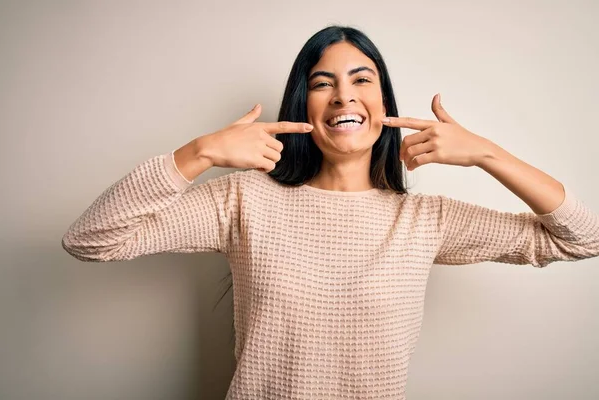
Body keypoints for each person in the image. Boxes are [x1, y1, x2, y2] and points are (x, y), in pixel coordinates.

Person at [62, 25, 599, 400]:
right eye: (323, 83)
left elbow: (582, 238)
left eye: (362, 80)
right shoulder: (245, 200)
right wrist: (199, 153)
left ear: (383, 104)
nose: (344, 97)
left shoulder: (425, 221)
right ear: (304, 106)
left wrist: (487, 154)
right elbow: (91, 239)